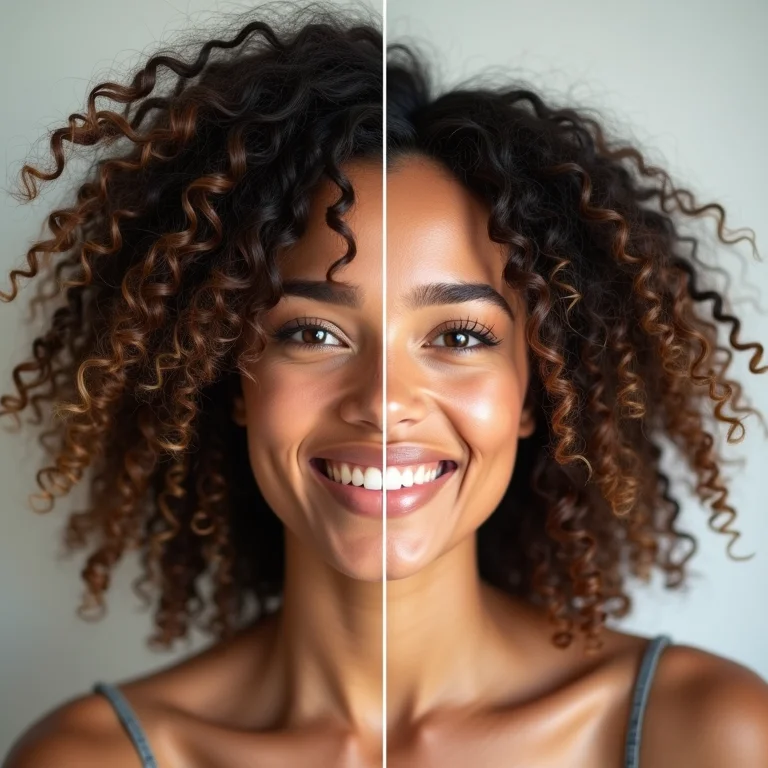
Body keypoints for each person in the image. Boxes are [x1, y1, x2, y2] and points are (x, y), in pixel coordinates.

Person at [4, 5, 768, 767]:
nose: (382, 401)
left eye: (459, 337)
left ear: (536, 392)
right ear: (230, 377)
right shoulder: (89, 758)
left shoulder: (706, 734)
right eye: (311, 333)